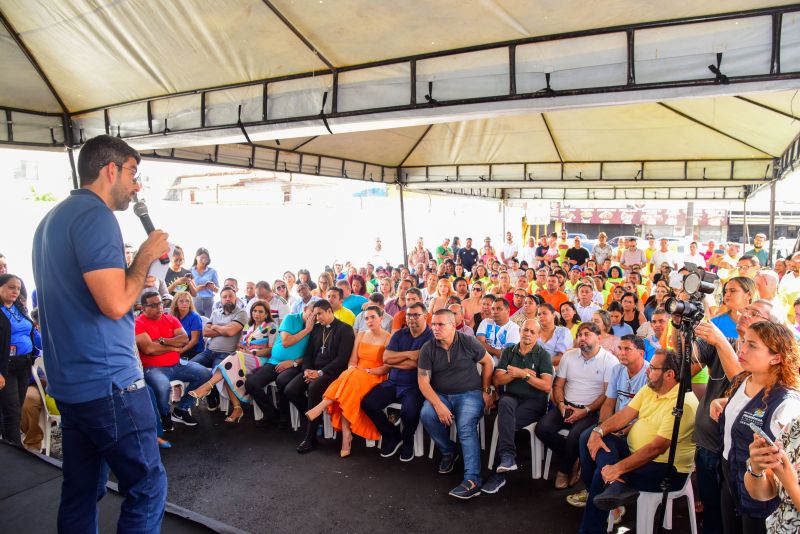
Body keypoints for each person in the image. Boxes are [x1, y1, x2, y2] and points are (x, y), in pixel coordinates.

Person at [32, 134, 169, 531]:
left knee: (81, 489)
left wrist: (134, 273)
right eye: (132, 173)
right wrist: (144, 257)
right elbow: (114, 305)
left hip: (72, 384)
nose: (136, 184)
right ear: (110, 169)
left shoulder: (51, 220)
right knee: (147, 485)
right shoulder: (96, 216)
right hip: (110, 383)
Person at [578, 349, 698, 533]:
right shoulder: (650, 388)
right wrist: (598, 430)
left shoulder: (685, 404)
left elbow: (656, 449)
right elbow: (623, 416)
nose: (647, 371)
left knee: (600, 475)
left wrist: (618, 468)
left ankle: (592, 527)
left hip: (666, 468)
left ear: (669, 374)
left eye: (652, 367)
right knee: (590, 436)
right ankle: (615, 485)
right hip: (635, 452)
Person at [709, 321, 800, 533]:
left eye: (752, 345)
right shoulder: (744, 379)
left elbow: (783, 468)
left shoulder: (787, 404)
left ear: (776, 357)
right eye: (743, 342)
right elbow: (742, 408)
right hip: (730, 480)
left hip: (762, 497)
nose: (742, 349)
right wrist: (722, 403)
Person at [567, 335, 650, 511]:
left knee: (601, 448)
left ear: (641, 353)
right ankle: (597, 491)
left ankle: (610, 495)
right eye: (620, 348)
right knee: (587, 437)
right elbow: (609, 403)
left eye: (627, 349)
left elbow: (646, 414)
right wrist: (602, 428)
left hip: (637, 427)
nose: (621, 353)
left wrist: (624, 430)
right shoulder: (618, 369)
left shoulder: (650, 374)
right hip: (617, 423)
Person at [418, 309, 494, 500]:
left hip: (469, 393)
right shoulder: (429, 347)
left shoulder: (467, 341)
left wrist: (486, 390)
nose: (435, 328)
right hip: (441, 394)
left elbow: (488, 362)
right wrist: (438, 405)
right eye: (433, 324)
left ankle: (473, 479)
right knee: (427, 414)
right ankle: (449, 451)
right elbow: (423, 382)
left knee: (465, 426)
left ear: (453, 325)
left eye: (440, 324)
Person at [536, 322, 617, 489]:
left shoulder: (609, 361)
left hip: (591, 411)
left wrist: (585, 410)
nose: (582, 338)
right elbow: (558, 386)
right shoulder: (569, 356)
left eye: (587, 334)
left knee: (575, 436)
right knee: (542, 429)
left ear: (599, 338)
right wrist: (561, 405)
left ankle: (564, 470)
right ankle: (574, 458)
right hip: (566, 406)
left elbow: (606, 395)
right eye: (579, 335)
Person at [306, 306, 391, 456]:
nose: (369, 321)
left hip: (375, 374)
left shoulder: (388, 337)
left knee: (349, 379)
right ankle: (346, 437)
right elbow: (352, 360)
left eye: (373, 317)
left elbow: (386, 367)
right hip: (357, 373)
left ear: (381, 318)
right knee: (348, 379)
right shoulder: (361, 334)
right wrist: (353, 368)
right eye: (366, 318)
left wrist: (367, 371)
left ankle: (323, 405)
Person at [481, 319, 554, 494]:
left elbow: (546, 386)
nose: (527, 334)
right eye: (525, 330)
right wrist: (516, 375)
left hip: (535, 402)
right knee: (505, 402)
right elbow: (497, 380)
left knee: (505, 422)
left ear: (538, 335)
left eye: (532, 332)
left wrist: (523, 375)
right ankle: (507, 458)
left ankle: (501, 467)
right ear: (520, 331)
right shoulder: (509, 351)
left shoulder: (543, 355)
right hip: (512, 397)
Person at [189, 300, 279, 423]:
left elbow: (271, 350)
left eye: (260, 312)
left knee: (232, 359)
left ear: (266, 314)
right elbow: (239, 344)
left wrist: (252, 353)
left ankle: (207, 386)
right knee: (228, 369)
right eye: (254, 311)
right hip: (243, 357)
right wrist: (242, 349)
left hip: (260, 360)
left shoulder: (271, 327)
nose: (256, 314)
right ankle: (237, 408)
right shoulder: (248, 325)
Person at [287, 300, 356, 454]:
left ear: (330, 311)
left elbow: (342, 359)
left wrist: (320, 373)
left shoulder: (345, 329)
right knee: (291, 390)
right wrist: (306, 370)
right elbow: (308, 354)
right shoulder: (317, 329)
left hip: (333, 372)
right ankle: (314, 421)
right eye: (315, 314)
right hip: (313, 370)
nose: (317, 317)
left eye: (320, 314)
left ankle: (310, 438)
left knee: (314, 388)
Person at [135, 291, 210, 429]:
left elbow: (184, 339)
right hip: (153, 367)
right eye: (154, 305)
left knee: (205, 374)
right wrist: (173, 347)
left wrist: (163, 341)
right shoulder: (138, 323)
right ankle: (165, 415)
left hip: (177, 364)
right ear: (143, 307)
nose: (159, 307)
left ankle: (181, 410)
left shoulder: (170, 318)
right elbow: (149, 349)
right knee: (163, 386)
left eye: (160, 303)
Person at [244, 304, 315, 425]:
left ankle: (284, 415)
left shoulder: (317, 327)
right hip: (273, 361)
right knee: (251, 383)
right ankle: (271, 413)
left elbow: (312, 355)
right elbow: (286, 342)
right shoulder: (291, 318)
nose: (314, 317)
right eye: (312, 312)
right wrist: (307, 330)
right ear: (305, 309)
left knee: (282, 381)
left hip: (295, 365)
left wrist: (293, 362)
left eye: (317, 314)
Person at [190, 286, 249, 411]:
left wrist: (216, 326)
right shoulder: (216, 312)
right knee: (189, 366)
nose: (227, 299)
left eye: (230, 296)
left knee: (215, 373)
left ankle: (211, 396)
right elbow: (206, 332)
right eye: (224, 297)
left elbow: (231, 332)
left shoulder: (241, 313)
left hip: (226, 354)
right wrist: (224, 328)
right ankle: (209, 395)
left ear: (235, 298)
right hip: (209, 351)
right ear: (220, 299)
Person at [0, 274, 38, 445]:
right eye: (11, 287)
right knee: (12, 411)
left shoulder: (19, 308)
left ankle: (11, 446)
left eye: (18, 287)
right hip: (5, 367)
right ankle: (15, 449)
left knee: (17, 408)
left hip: (24, 364)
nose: (15, 291)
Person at [746, 414, 800, 533]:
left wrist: (791, 485)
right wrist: (757, 468)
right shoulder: (796, 424)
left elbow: (787, 482)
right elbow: (763, 492)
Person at [476, 297, 520, 365]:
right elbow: (478, 345)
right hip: (483, 361)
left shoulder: (514, 328)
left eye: (499, 309)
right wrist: (497, 352)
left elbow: (506, 355)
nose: (495, 311)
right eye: (493, 309)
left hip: (504, 366)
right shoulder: (485, 322)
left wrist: (487, 348)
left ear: (508, 311)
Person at [170, 291, 204, 359]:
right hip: (178, 348)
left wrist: (180, 351)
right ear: (176, 304)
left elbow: (194, 340)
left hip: (194, 351)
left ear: (190, 303)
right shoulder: (173, 317)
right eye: (181, 301)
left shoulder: (195, 317)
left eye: (187, 301)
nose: (184, 303)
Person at [191, 247, 218, 318]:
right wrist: (197, 289)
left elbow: (217, 290)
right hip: (194, 301)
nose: (204, 260)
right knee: (196, 324)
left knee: (208, 324)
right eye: (202, 258)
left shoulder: (212, 271)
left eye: (206, 258)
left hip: (209, 302)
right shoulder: (189, 271)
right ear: (196, 257)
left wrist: (213, 287)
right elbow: (186, 289)